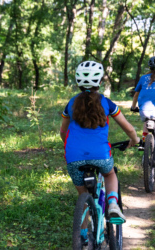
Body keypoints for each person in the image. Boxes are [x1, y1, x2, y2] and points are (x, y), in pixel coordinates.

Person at [60, 61, 140, 242]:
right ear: (100, 81)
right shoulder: (107, 103)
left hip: (73, 157)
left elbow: (63, 132)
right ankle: (112, 203)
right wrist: (134, 140)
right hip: (101, 155)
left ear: (78, 81)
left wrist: (70, 146)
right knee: (110, 174)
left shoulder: (71, 103)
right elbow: (128, 128)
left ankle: (81, 235)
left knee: (83, 195)